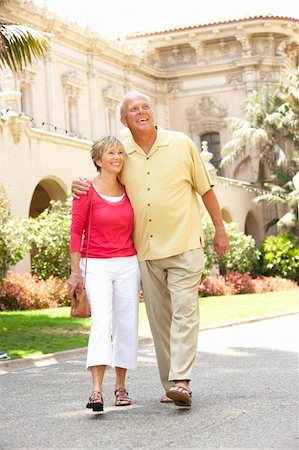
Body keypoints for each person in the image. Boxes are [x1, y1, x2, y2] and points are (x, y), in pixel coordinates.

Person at [71, 91, 229, 408]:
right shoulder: (122, 153)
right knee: (160, 322)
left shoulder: (181, 144)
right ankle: (171, 382)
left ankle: (182, 381)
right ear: (123, 119)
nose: (141, 112)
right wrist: (80, 184)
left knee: (185, 312)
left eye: (146, 107)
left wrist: (220, 228)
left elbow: (206, 189)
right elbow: (104, 181)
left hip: (184, 243)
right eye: (133, 109)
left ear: (153, 113)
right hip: (146, 251)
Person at [68, 135, 140, 412]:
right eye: (111, 152)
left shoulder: (130, 189)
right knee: (102, 321)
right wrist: (76, 272)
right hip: (95, 263)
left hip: (128, 263)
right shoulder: (86, 190)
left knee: (127, 322)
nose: (117, 156)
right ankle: (95, 391)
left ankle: (120, 388)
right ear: (98, 160)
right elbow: (76, 232)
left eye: (120, 152)